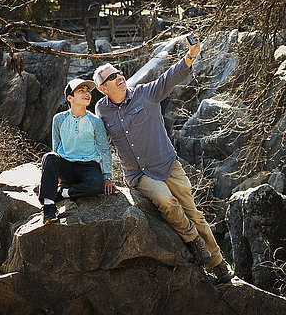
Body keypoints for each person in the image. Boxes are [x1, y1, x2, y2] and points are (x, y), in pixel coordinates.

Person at [93, 33, 234, 284]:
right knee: (166, 201)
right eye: (112, 77)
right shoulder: (102, 110)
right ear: (103, 88)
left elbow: (170, 76)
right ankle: (193, 242)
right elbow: (98, 141)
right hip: (139, 175)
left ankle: (219, 264)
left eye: (119, 73)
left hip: (169, 165)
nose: (119, 77)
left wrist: (191, 55)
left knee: (195, 213)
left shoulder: (146, 93)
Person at [39, 78, 114, 225]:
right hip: (66, 166)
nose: (87, 94)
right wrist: (55, 174)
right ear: (70, 97)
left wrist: (108, 176)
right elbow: (57, 145)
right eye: (81, 91)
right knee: (49, 157)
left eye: (88, 91)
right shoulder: (59, 119)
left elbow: (104, 149)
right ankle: (49, 207)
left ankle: (62, 193)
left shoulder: (96, 122)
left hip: (89, 167)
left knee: (97, 185)